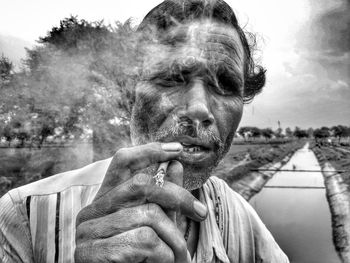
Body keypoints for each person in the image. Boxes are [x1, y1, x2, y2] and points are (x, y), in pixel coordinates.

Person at [0, 0, 289, 262]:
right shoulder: (25, 217)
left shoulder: (236, 215)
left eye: (225, 85)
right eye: (173, 78)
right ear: (129, 94)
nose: (200, 109)